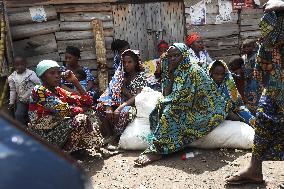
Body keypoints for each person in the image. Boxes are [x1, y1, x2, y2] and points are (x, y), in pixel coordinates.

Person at [134, 43, 230, 166]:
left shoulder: (194, 71)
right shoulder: (175, 70)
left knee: (170, 114)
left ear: (184, 55)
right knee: (161, 108)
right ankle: (164, 144)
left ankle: (157, 151)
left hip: (203, 109)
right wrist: (170, 76)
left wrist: (170, 103)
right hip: (184, 104)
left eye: (176, 55)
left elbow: (189, 98)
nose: (172, 59)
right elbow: (166, 94)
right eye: (170, 56)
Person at [226, 4, 284, 185]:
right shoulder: (269, 42)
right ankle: (255, 170)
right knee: (264, 118)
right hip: (277, 85)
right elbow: (261, 70)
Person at [28, 60, 102, 157]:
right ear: (42, 76)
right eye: (52, 73)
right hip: (43, 134)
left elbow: (87, 102)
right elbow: (64, 110)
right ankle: (62, 156)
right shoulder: (38, 90)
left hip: (56, 130)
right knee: (81, 119)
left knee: (90, 112)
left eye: (58, 72)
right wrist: (81, 109)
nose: (57, 76)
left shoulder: (59, 90)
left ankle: (77, 149)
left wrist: (75, 82)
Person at [97, 49, 148, 148]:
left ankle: (117, 138)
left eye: (129, 62)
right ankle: (109, 134)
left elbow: (138, 97)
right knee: (100, 106)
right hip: (118, 102)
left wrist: (123, 95)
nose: (126, 65)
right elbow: (109, 92)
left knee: (124, 112)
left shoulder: (140, 76)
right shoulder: (119, 75)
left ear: (136, 63)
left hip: (134, 105)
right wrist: (108, 106)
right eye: (124, 62)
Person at [208, 60, 255, 126]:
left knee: (249, 117)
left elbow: (237, 103)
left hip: (233, 111)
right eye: (217, 74)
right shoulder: (207, 88)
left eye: (222, 74)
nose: (220, 76)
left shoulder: (228, 85)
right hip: (216, 116)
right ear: (210, 73)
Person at [8, 56, 40, 126]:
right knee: (18, 115)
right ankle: (23, 130)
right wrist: (11, 102)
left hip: (34, 100)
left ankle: (34, 130)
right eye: (17, 65)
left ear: (26, 64)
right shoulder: (12, 77)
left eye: (22, 64)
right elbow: (12, 90)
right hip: (22, 100)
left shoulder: (31, 73)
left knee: (32, 116)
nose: (20, 67)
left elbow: (38, 83)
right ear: (14, 66)